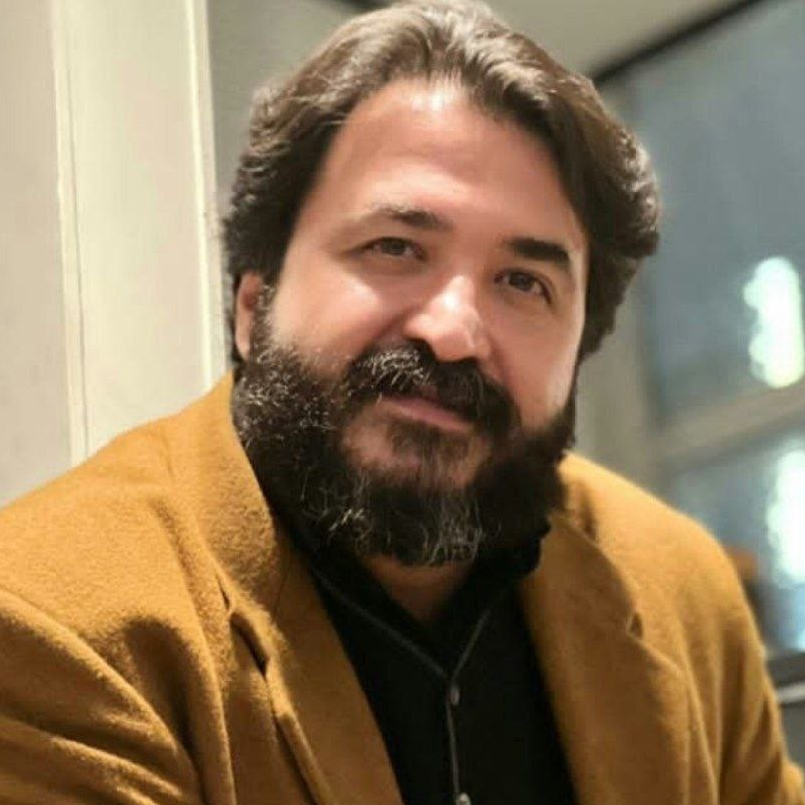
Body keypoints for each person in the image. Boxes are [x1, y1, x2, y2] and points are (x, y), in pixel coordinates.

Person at [0, 1, 801, 803]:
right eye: (395, 247)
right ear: (253, 303)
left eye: (522, 282)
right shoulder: (52, 620)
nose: (453, 331)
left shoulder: (683, 593)